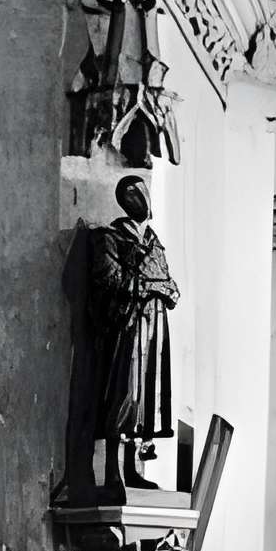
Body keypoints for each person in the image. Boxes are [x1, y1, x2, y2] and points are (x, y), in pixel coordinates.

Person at [85, 174, 177, 490]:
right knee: (124, 392)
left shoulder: (154, 241)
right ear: (126, 200)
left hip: (155, 328)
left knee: (147, 398)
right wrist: (152, 286)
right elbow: (111, 279)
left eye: (144, 194)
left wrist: (159, 288)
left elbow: (172, 288)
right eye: (135, 195)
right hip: (129, 325)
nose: (143, 201)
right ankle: (112, 469)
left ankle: (132, 469)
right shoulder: (111, 238)